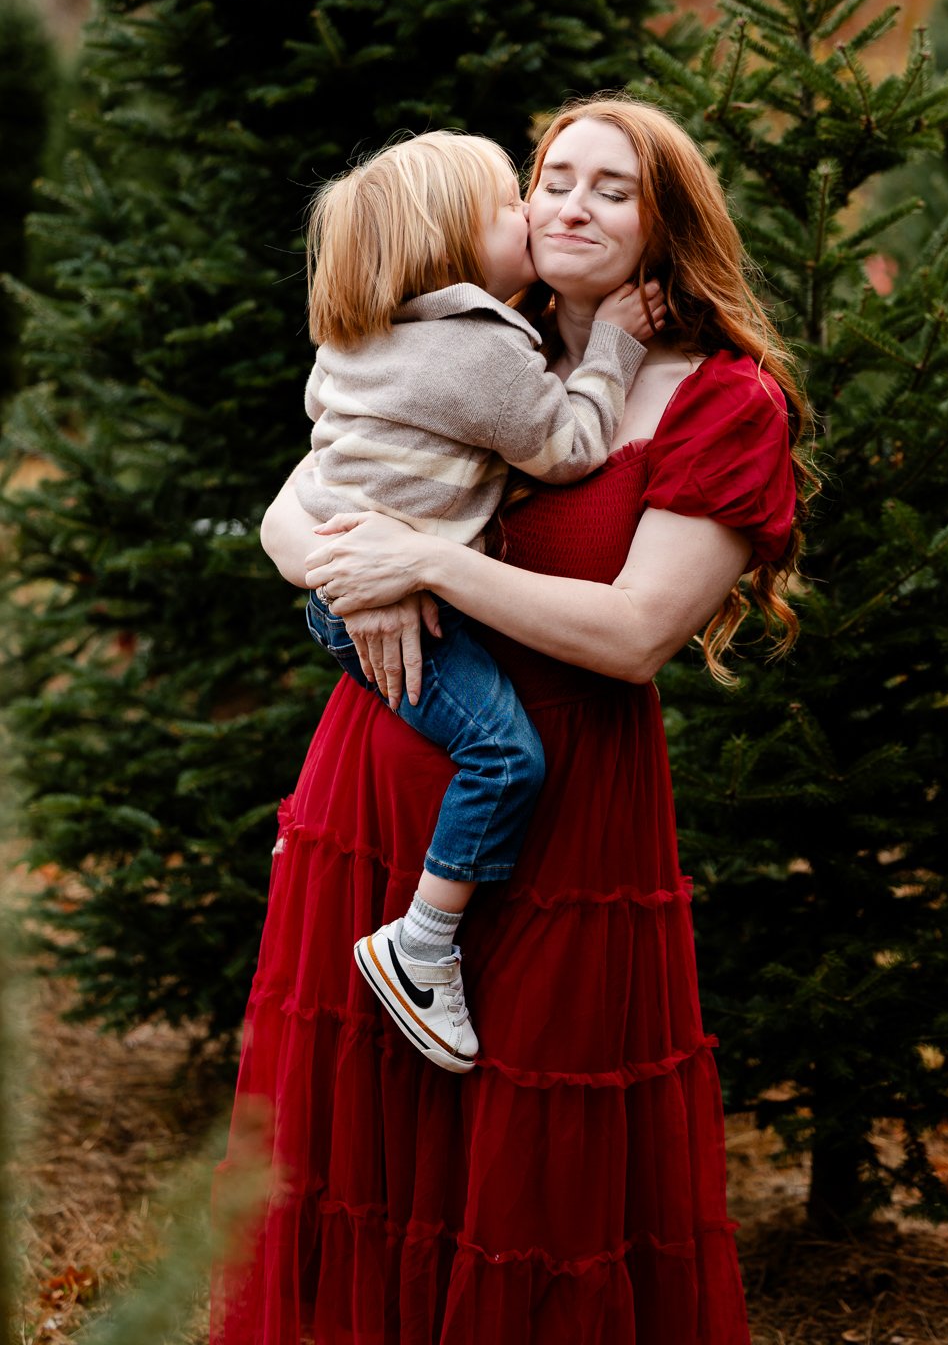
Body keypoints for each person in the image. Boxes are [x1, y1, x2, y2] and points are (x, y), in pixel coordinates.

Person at [213, 96, 812, 1345]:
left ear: (666, 225)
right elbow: (293, 508)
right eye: (552, 178)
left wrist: (423, 566)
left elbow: (637, 634)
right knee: (370, 1158)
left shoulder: (723, 403)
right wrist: (344, 562)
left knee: (529, 1171)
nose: (569, 205)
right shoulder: (483, 338)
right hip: (372, 797)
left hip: (565, 821)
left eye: (612, 186)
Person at [295, 130, 663, 1074]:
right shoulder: (481, 349)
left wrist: (376, 565)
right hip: (379, 599)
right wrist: (614, 349)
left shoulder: (365, 335)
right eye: (515, 202)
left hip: (345, 598)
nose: (535, 214)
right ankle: (420, 947)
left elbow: (320, 476)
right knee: (502, 758)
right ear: (451, 244)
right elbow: (571, 447)